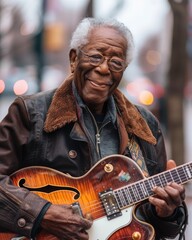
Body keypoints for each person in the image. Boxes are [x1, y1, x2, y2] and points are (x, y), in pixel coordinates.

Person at [0, 17, 188, 240]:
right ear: (74, 59)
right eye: (95, 56)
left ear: (123, 70)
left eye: (116, 62)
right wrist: (43, 214)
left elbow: (158, 224)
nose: (103, 68)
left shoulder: (145, 125)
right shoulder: (31, 113)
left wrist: (168, 212)